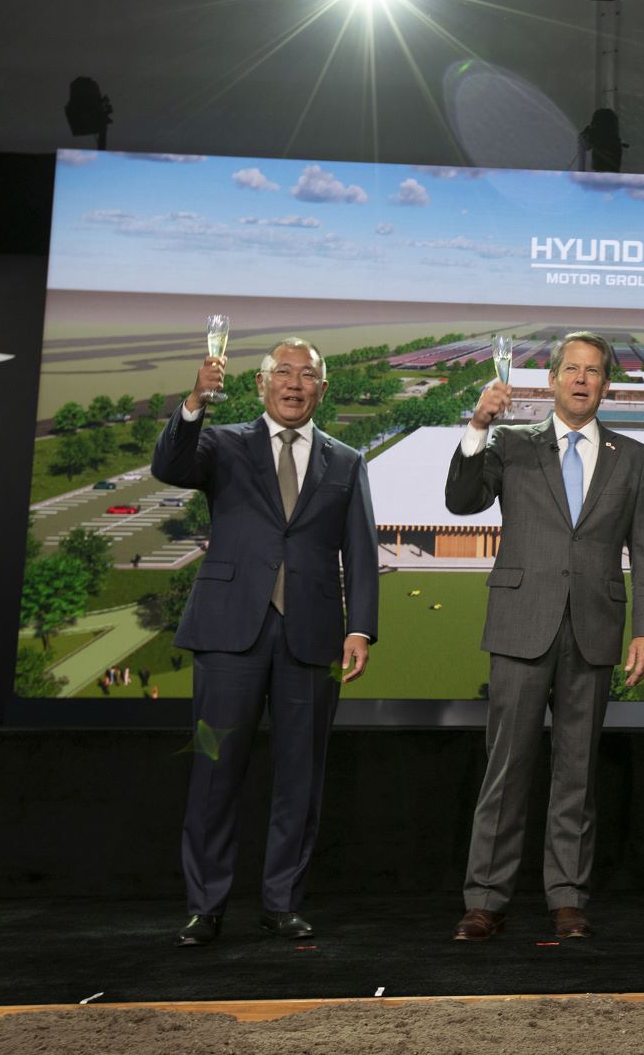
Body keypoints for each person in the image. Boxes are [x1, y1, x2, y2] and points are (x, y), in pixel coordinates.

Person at [152, 337, 377, 948]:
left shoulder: (347, 461)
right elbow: (168, 466)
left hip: (311, 641)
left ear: (322, 388)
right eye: (283, 372)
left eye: (307, 375)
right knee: (213, 772)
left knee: (300, 779)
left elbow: (360, 550)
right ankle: (206, 907)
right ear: (261, 384)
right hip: (229, 637)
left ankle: (281, 903)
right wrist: (197, 397)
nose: (295, 383)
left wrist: (361, 627)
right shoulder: (221, 444)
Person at [447, 332, 644, 943]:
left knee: (577, 773)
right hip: (521, 625)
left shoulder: (634, 457)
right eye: (571, 369)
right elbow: (462, 501)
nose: (581, 379)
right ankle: (485, 898)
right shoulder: (512, 446)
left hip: (595, 631)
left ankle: (566, 896)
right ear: (551, 380)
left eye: (593, 371)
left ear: (605, 384)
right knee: (506, 769)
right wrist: (477, 426)